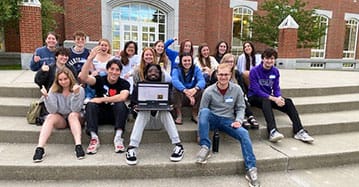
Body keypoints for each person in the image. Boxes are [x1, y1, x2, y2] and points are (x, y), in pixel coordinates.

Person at [196, 63, 260, 187]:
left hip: (228, 121)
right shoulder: (209, 91)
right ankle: (205, 146)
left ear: (230, 75)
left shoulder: (236, 89)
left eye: (226, 75)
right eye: (220, 74)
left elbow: (241, 107)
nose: (223, 77)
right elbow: (201, 112)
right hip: (213, 118)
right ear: (216, 75)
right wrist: (200, 131)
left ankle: (251, 168)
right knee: (204, 112)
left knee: (244, 133)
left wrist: (239, 120)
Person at [248, 48, 314, 143]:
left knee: (288, 102)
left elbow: (276, 88)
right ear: (262, 59)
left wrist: (279, 97)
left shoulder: (275, 71)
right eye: (267, 58)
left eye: (272, 58)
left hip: (268, 97)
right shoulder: (254, 71)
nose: (269, 61)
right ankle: (272, 131)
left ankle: (299, 131)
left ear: (275, 60)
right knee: (266, 100)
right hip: (254, 97)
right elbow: (256, 90)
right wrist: (274, 98)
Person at [126, 64, 184, 165]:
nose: (153, 73)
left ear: (160, 74)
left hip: (159, 122)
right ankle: (132, 148)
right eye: (150, 71)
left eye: (156, 72)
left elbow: (171, 103)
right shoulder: (139, 87)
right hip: (144, 123)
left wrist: (170, 106)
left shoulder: (166, 87)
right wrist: (136, 108)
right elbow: (132, 106)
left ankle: (178, 145)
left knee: (164, 109)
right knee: (144, 109)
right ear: (146, 74)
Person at [80, 47, 130, 154]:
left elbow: (122, 97)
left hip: (115, 115)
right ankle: (94, 138)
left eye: (117, 70)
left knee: (121, 104)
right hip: (99, 115)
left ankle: (118, 138)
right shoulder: (99, 80)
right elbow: (83, 77)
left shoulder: (124, 83)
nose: (114, 72)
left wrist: (101, 99)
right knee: (90, 104)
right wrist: (89, 60)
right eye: (112, 69)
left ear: (120, 72)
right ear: (107, 70)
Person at [33, 67, 85, 162]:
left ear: (70, 78)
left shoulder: (79, 89)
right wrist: (46, 97)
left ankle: (78, 146)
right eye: (60, 80)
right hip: (61, 118)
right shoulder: (53, 89)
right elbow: (53, 110)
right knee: (50, 117)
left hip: (76, 117)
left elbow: (75, 109)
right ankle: (40, 148)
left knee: (72, 115)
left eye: (65, 79)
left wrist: (76, 95)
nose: (63, 82)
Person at [210, 53, 259, 130]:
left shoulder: (236, 73)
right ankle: (242, 118)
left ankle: (250, 116)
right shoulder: (217, 73)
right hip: (222, 97)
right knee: (233, 98)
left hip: (237, 96)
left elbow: (242, 87)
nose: (230, 63)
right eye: (228, 61)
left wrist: (243, 94)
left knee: (241, 96)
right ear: (223, 62)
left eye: (232, 62)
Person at [172, 52, 205, 124]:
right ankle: (178, 114)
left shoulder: (196, 69)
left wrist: (195, 89)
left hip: (193, 94)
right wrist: (185, 91)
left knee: (201, 90)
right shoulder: (176, 69)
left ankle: (194, 113)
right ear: (181, 61)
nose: (187, 63)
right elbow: (175, 81)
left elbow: (202, 81)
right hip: (181, 96)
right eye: (185, 61)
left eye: (189, 60)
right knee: (175, 89)